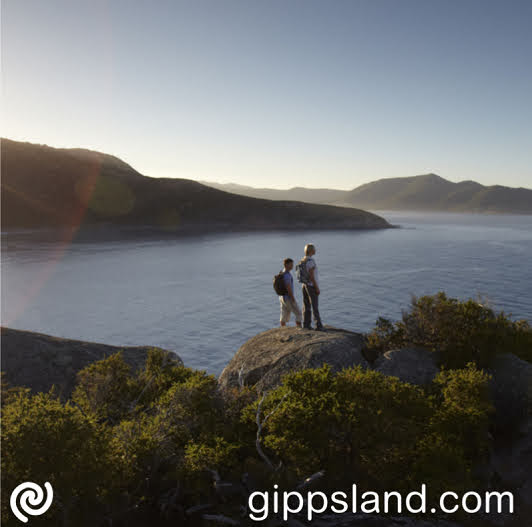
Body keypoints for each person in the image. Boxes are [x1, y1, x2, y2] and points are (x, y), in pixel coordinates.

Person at [299, 244, 324, 331]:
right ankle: (319, 325)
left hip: (304, 285)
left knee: (306, 305)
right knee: (315, 306)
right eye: (314, 249)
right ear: (310, 251)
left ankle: (306, 324)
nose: (315, 250)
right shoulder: (310, 261)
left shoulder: (303, 260)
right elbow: (312, 276)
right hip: (311, 286)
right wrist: (316, 287)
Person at [278, 258, 302, 328]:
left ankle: (282, 328)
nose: (292, 266)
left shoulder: (282, 272)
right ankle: (299, 328)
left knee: (284, 313)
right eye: (291, 264)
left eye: (292, 264)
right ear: (286, 265)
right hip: (288, 298)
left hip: (282, 297)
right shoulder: (287, 275)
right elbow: (288, 288)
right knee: (298, 313)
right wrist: (293, 298)